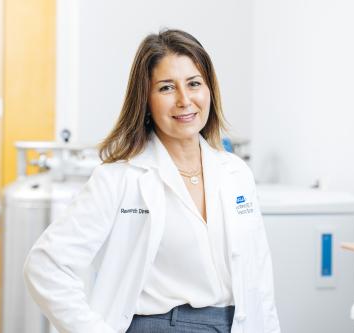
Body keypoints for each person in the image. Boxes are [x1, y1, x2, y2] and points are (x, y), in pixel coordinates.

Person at [24, 29, 280, 333]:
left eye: (194, 84)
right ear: (145, 99)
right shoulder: (119, 178)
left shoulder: (236, 173)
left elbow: (260, 280)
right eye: (167, 88)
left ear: (209, 90)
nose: (185, 100)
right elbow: (45, 265)